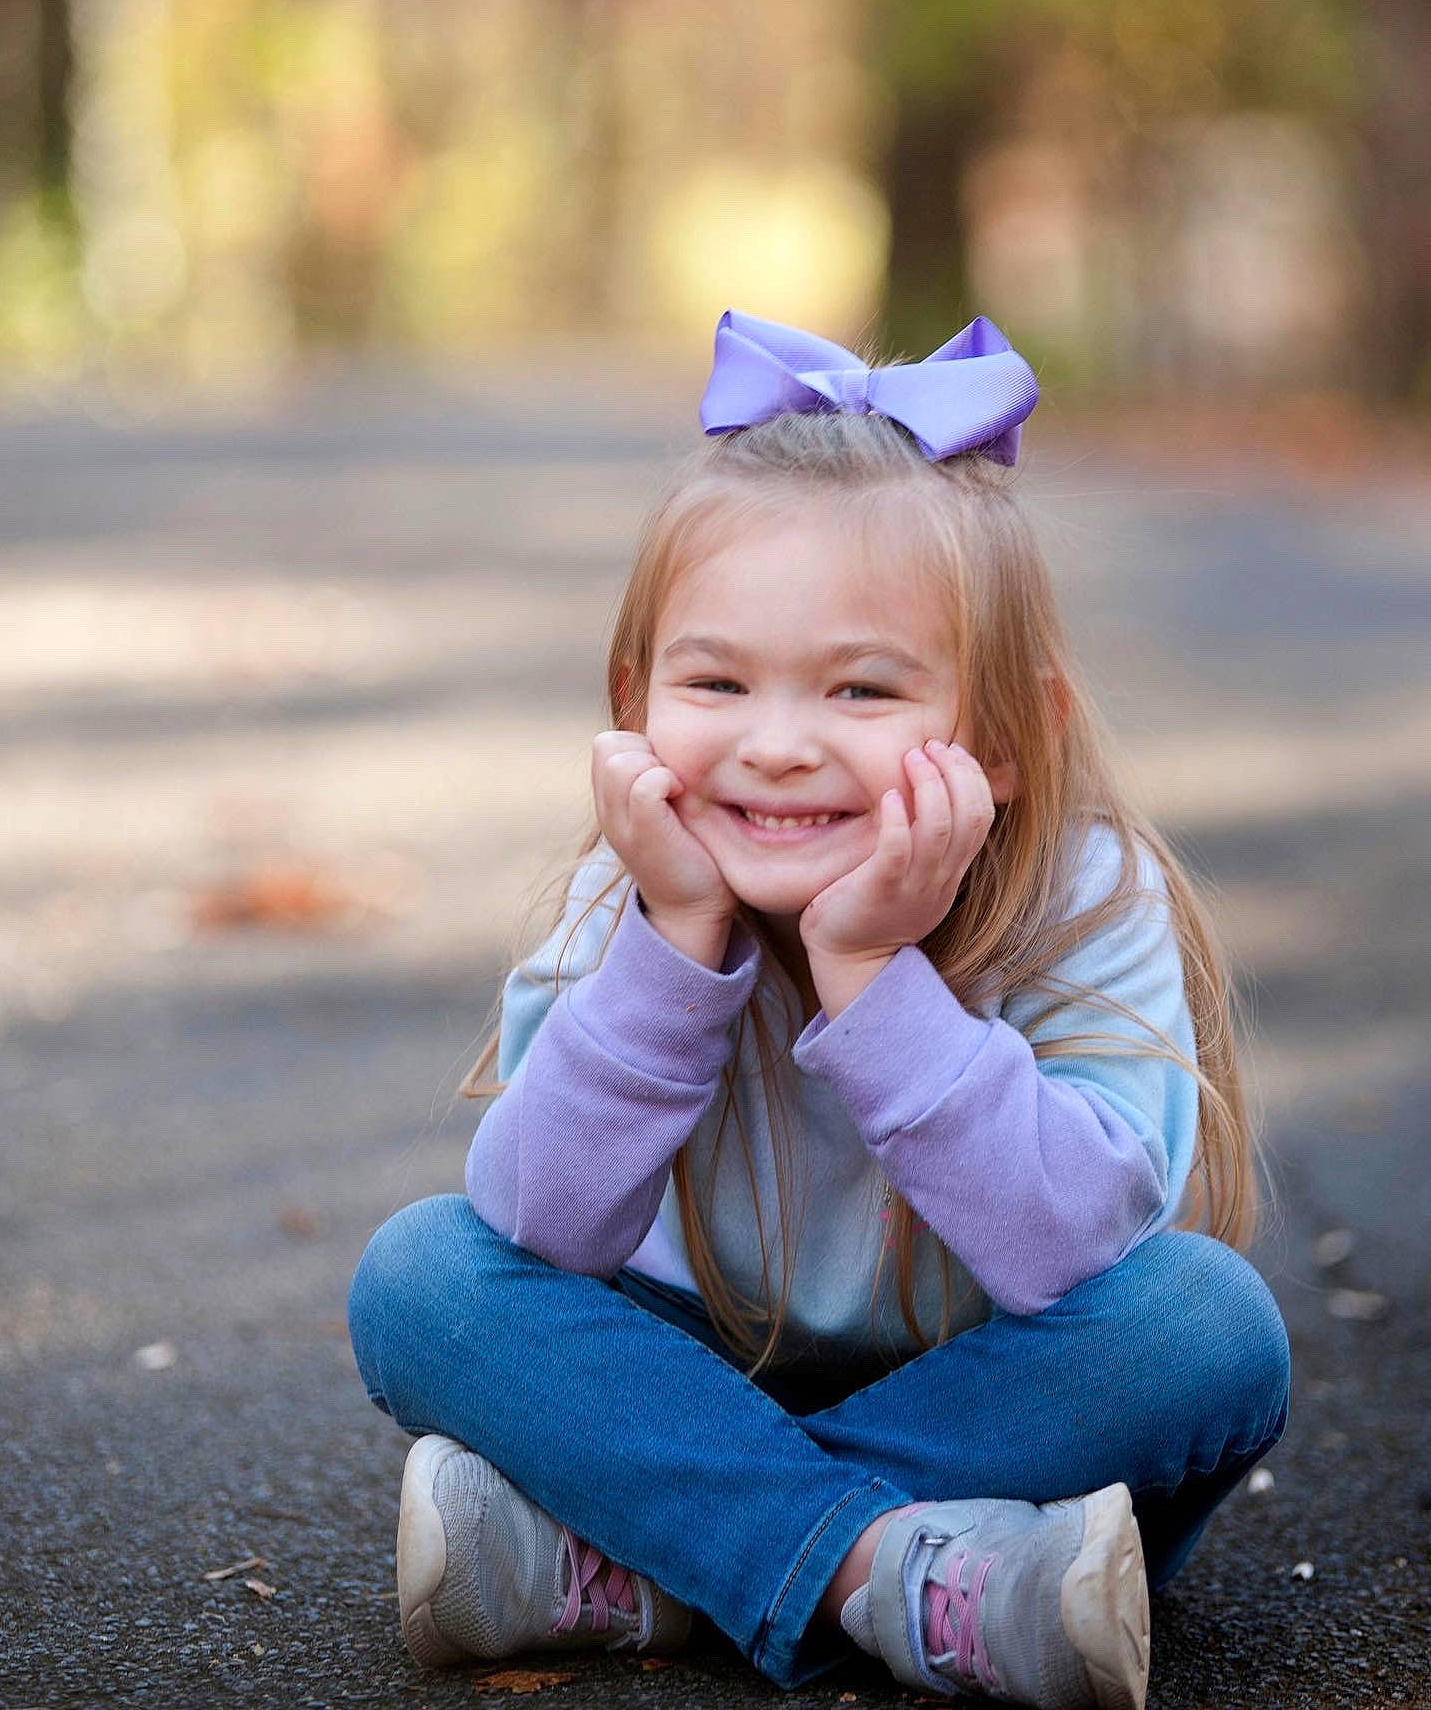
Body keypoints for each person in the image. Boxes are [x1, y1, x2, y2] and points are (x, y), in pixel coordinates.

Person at [347, 311, 1291, 1709]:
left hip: (999, 1404)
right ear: (633, 699)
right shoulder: (625, 905)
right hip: (668, 1389)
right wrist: (675, 948)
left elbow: (1075, 1250)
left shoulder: (1090, 898)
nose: (778, 741)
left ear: (1009, 739)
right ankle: (903, 1582)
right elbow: (544, 1229)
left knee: (1205, 1331)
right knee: (421, 1276)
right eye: (717, 681)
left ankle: (656, 1567)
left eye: (861, 688)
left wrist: (866, 973)